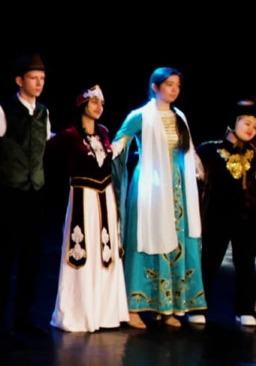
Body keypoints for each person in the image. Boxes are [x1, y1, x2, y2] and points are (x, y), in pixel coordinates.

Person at [112, 68, 206, 327]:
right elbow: (119, 143)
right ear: (155, 87)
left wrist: (198, 169)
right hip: (151, 188)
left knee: (176, 240)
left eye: (177, 85)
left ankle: (167, 306)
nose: (174, 90)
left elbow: (188, 151)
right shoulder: (140, 115)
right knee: (146, 239)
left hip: (177, 189)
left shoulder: (179, 116)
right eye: (169, 84)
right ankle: (133, 306)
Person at [48, 86, 130, 332]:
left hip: (105, 198)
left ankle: (105, 313)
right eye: (94, 102)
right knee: (83, 249)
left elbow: (110, 154)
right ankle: (79, 313)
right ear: (82, 104)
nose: (98, 107)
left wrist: (126, 139)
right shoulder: (70, 135)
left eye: (101, 103)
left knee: (104, 251)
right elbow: (48, 150)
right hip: (82, 199)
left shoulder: (103, 132)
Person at [0, 52, 50, 338]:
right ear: (19, 80)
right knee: (6, 256)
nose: (39, 83)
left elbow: (44, 143)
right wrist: (2, 162)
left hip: (34, 192)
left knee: (32, 258)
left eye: (42, 78)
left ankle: (24, 316)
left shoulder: (43, 112)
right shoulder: (1, 110)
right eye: (33, 78)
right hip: (10, 191)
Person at [195, 100, 255, 325]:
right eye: (247, 123)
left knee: (246, 264)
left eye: (255, 126)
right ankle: (198, 307)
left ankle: (245, 309)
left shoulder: (254, 154)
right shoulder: (210, 149)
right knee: (209, 262)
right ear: (233, 123)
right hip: (217, 217)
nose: (251, 129)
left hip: (246, 219)